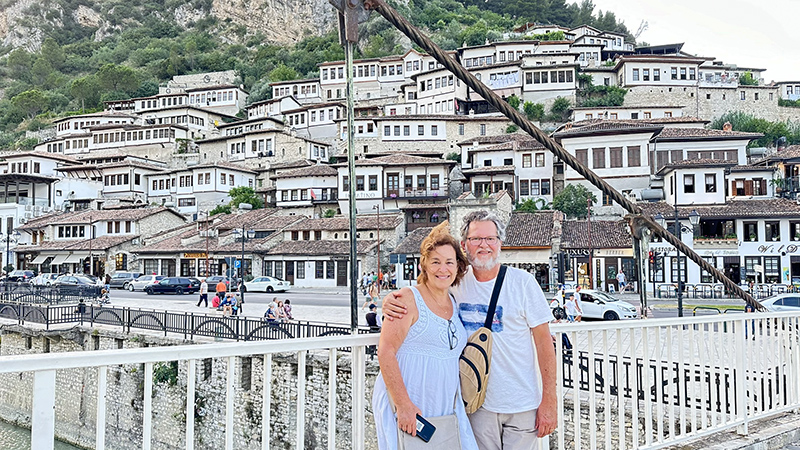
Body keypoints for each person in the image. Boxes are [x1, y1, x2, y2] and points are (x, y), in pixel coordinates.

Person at [383, 211, 558, 447]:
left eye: (490, 238)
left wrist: (549, 399)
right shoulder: (456, 283)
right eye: (476, 239)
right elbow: (427, 290)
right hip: (478, 406)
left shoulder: (523, 283)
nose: (483, 245)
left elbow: (545, 344)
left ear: (500, 243)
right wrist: (390, 300)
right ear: (465, 245)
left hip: (521, 404)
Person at [372, 222, 478, 450]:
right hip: (410, 401)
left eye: (449, 262)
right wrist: (403, 405)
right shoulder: (408, 299)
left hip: (444, 404)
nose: (443, 269)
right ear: (425, 265)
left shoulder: (455, 300)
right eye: (436, 262)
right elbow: (386, 350)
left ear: (458, 267)